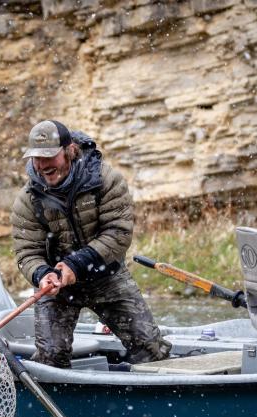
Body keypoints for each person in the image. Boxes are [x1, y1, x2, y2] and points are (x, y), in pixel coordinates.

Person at [10, 120, 172, 368]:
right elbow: (26, 251)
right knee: (50, 357)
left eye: (49, 157)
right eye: (36, 158)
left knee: (150, 349)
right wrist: (42, 275)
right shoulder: (27, 199)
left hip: (106, 276)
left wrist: (77, 264)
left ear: (70, 150)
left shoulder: (107, 180)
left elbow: (118, 234)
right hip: (56, 286)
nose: (42, 166)